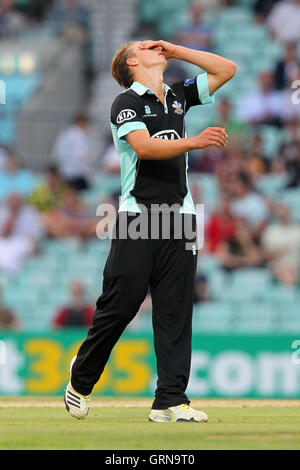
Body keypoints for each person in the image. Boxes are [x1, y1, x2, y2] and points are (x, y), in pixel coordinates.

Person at [64, 39, 236, 423]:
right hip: (137, 217)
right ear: (132, 61)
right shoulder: (125, 102)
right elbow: (143, 147)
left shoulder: (177, 96)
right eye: (146, 47)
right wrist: (196, 141)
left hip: (181, 217)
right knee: (120, 307)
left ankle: (170, 400)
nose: (153, 47)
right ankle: (81, 378)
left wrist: (176, 50)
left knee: (175, 311)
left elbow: (226, 70)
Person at [52, 112, 93, 190]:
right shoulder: (79, 134)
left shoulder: (65, 133)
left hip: (64, 172)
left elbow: (57, 153)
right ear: (82, 122)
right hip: (77, 175)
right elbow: (80, 156)